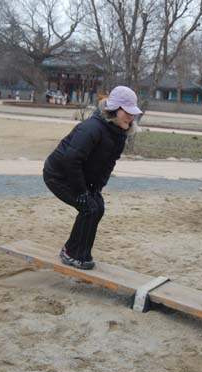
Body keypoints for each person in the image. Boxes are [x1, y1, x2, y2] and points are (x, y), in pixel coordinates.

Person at [43, 85, 142, 270]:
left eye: (132, 112)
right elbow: (71, 160)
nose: (131, 116)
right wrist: (82, 191)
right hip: (58, 175)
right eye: (127, 111)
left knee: (98, 206)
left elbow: (107, 164)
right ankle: (70, 252)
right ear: (114, 109)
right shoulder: (92, 129)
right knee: (88, 208)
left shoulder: (119, 133)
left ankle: (82, 253)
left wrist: (96, 189)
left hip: (77, 176)